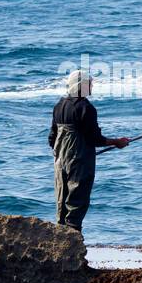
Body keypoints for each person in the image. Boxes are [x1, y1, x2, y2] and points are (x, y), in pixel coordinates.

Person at [48, 69, 129, 231]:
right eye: (89, 84)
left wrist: (66, 154)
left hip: (59, 163)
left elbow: (52, 139)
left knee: (61, 201)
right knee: (77, 202)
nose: (91, 86)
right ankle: (73, 241)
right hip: (79, 163)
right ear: (81, 86)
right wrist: (116, 142)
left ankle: (59, 237)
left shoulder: (59, 106)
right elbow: (95, 139)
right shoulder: (86, 108)